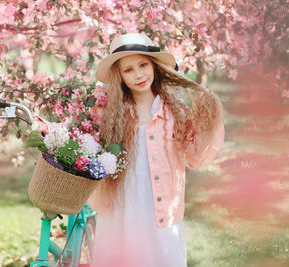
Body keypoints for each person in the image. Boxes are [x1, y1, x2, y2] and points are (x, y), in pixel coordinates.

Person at [87, 33, 225, 266]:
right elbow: (85, 139)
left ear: (153, 65)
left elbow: (196, 154)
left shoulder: (174, 110)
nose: (139, 74)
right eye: (128, 70)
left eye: (143, 65)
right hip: (120, 202)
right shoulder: (109, 111)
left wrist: (208, 116)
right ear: (119, 76)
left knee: (160, 256)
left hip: (159, 203)